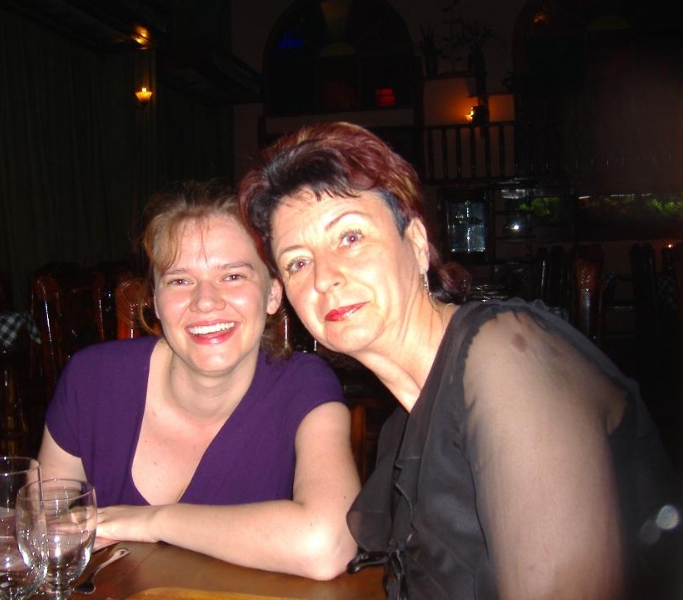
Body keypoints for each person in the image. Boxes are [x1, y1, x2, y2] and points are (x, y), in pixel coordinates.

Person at [238, 122, 683, 599]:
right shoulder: (401, 431)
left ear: (415, 243)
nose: (324, 277)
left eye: (350, 237)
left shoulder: (507, 356)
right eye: (298, 262)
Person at [37, 181, 360, 580]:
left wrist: (151, 521)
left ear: (273, 294)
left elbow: (327, 544)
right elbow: (39, 521)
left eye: (233, 276)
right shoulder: (92, 380)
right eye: (179, 280)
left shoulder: (304, 387)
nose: (206, 301)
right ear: (155, 300)